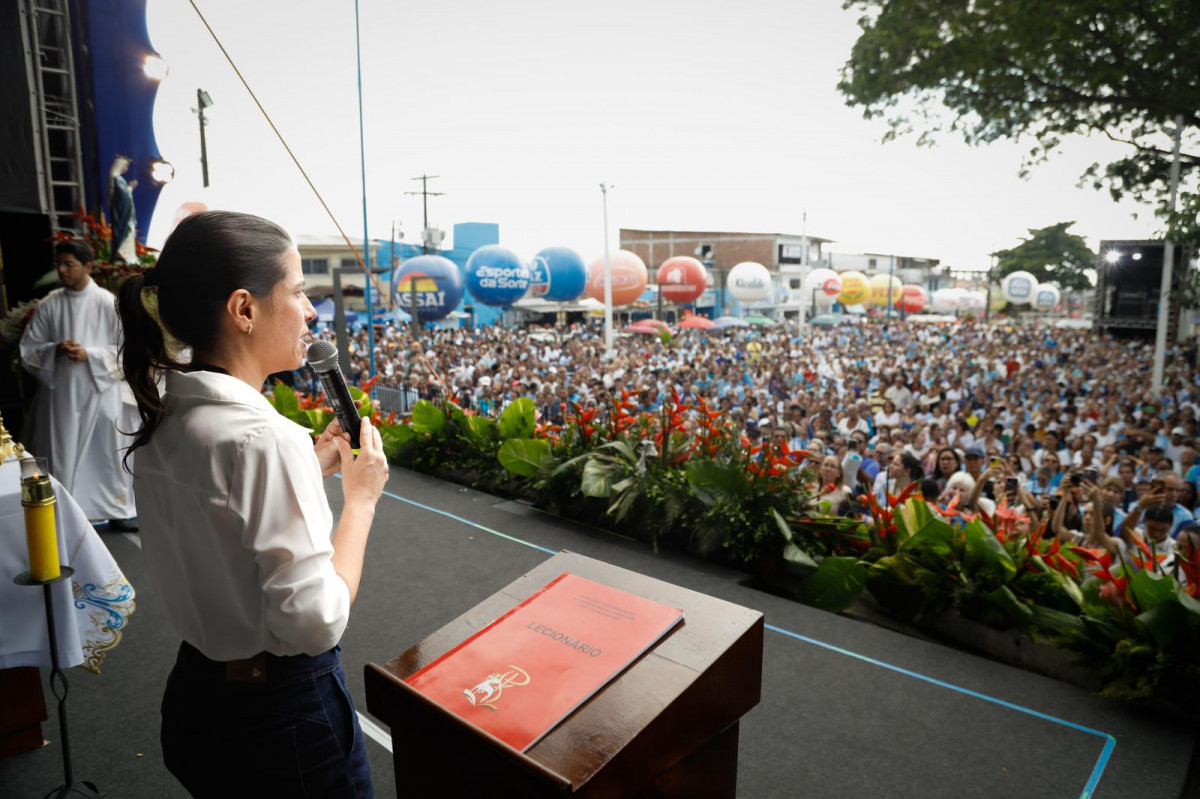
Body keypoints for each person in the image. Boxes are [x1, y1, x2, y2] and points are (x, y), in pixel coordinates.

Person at [115, 211, 389, 796]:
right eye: (297, 291)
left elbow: (222, 520)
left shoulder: (165, 416)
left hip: (198, 696)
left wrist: (308, 466)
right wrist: (360, 500)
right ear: (244, 309)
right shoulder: (264, 441)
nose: (310, 312)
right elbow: (315, 621)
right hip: (279, 720)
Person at [19, 240, 139, 529]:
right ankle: (67, 514)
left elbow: (127, 349)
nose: (62, 270)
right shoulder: (50, 304)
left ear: (87, 266)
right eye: (59, 264)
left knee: (106, 452)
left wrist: (90, 354)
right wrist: (55, 350)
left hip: (102, 391)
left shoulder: (107, 302)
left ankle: (115, 512)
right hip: (62, 392)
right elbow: (29, 348)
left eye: (69, 264)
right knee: (62, 449)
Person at [108, 154, 138, 263]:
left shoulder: (117, 179)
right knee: (125, 236)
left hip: (124, 214)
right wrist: (130, 188)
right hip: (122, 217)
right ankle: (123, 254)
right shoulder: (117, 179)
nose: (126, 169)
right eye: (126, 166)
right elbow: (123, 197)